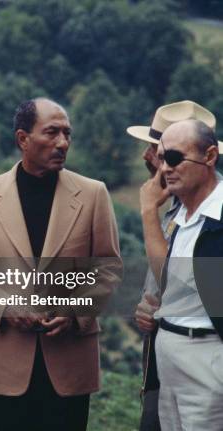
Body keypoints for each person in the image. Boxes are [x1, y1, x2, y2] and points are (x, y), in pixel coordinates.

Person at [0, 98, 121, 430]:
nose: (63, 143)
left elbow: (109, 267)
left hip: (70, 362)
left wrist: (75, 310)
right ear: (22, 139)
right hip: (6, 362)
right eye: (52, 132)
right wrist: (6, 306)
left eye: (67, 134)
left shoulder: (93, 193)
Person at [128, 100, 222, 431]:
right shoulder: (179, 213)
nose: (151, 159)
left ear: (208, 156)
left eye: (169, 154)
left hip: (204, 357)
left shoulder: (210, 215)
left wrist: (146, 212)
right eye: (159, 151)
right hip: (167, 362)